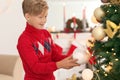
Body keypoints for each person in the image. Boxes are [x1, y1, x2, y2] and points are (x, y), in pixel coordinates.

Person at [17, 0, 80, 80]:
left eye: (45, 16)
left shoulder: (46, 34)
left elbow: (55, 56)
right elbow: (35, 67)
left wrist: (71, 59)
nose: (44, 20)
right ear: (28, 16)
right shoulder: (24, 40)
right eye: (40, 17)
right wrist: (59, 65)